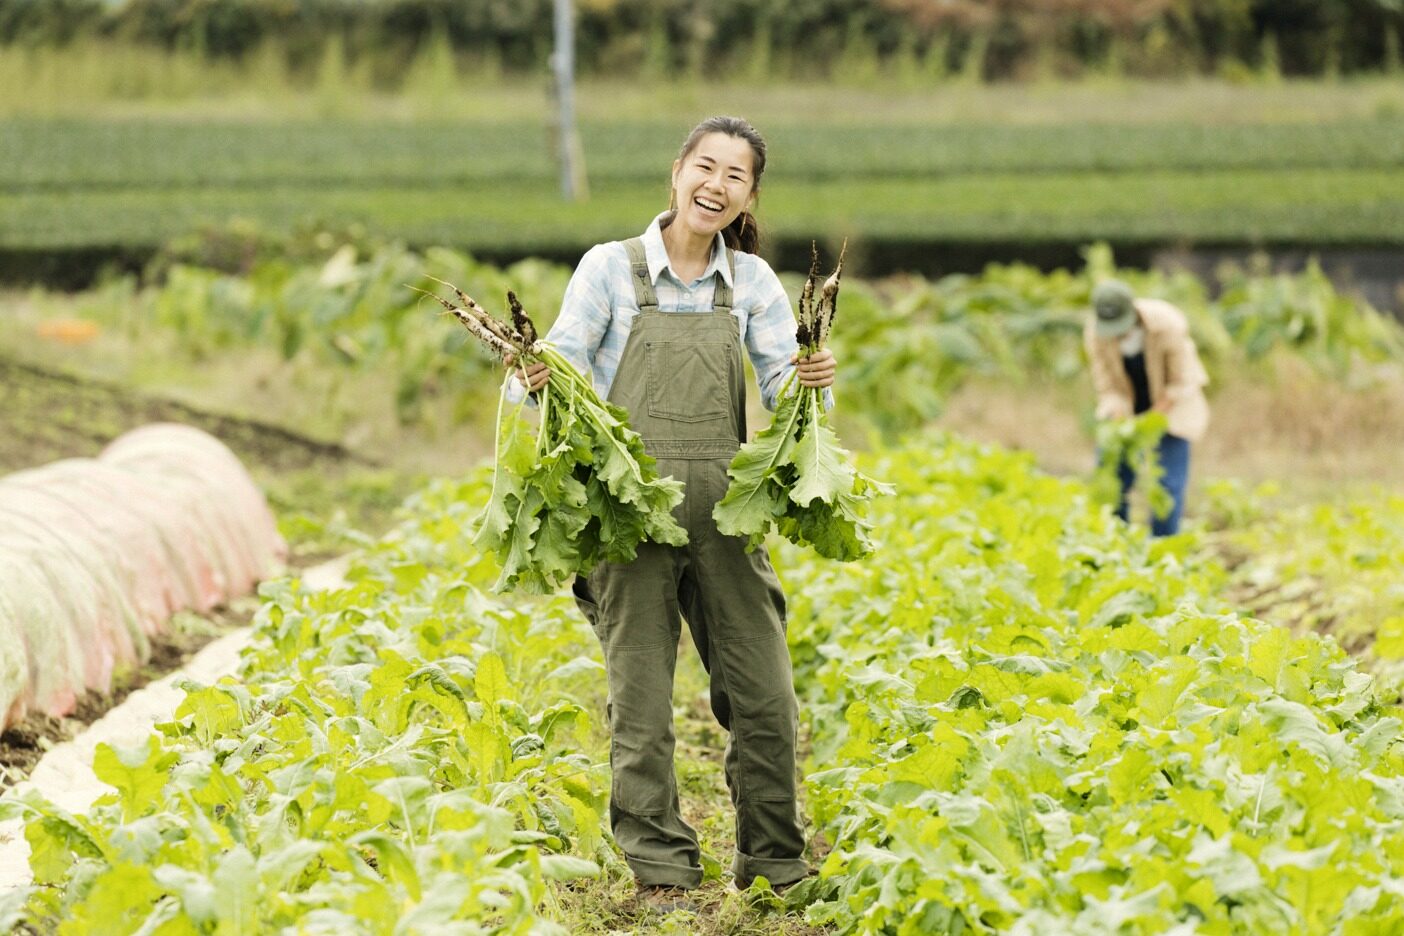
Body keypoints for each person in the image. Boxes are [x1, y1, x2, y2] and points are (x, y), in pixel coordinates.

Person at [507, 116, 833, 911]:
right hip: (628, 518)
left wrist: (813, 376)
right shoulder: (609, 270)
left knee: (764, 696)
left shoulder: (751, 282)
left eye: (735, 176)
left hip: (728, 515)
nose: (715, 186)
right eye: (705, 167)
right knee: (642, 705)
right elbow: (557, 364)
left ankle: (775, 862)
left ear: (749, 194)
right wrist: (532, 375)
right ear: (677, 171)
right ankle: (661, 868)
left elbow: (784, 393)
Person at [1085, 279, 1209, 536]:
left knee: (1167, 484)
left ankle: (1163, 549)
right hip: (1127, 405)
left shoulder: (1167, 324)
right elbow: (1107, 385)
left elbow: (1181, 381)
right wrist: (1121, 418)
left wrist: (1151, 420)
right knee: (1111, 475)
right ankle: (1114, 541)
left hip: (1174, 406)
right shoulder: (1096, 331)